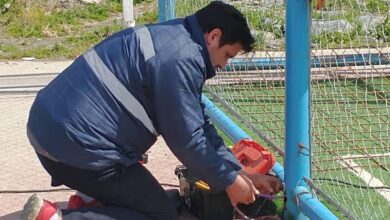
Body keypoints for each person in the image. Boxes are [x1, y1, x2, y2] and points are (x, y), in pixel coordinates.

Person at [21, 1, 281, 220]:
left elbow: (197, 120)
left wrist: (237, 171)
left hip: (51, 129)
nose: (223, 65)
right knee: (160, 215)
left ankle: (93, 202)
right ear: (213, 36)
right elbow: (188, 139)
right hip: (76, 148)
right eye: (227, 55)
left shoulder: (175, 37)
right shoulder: (182, 60)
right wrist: (229, 181)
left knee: (158, 199)